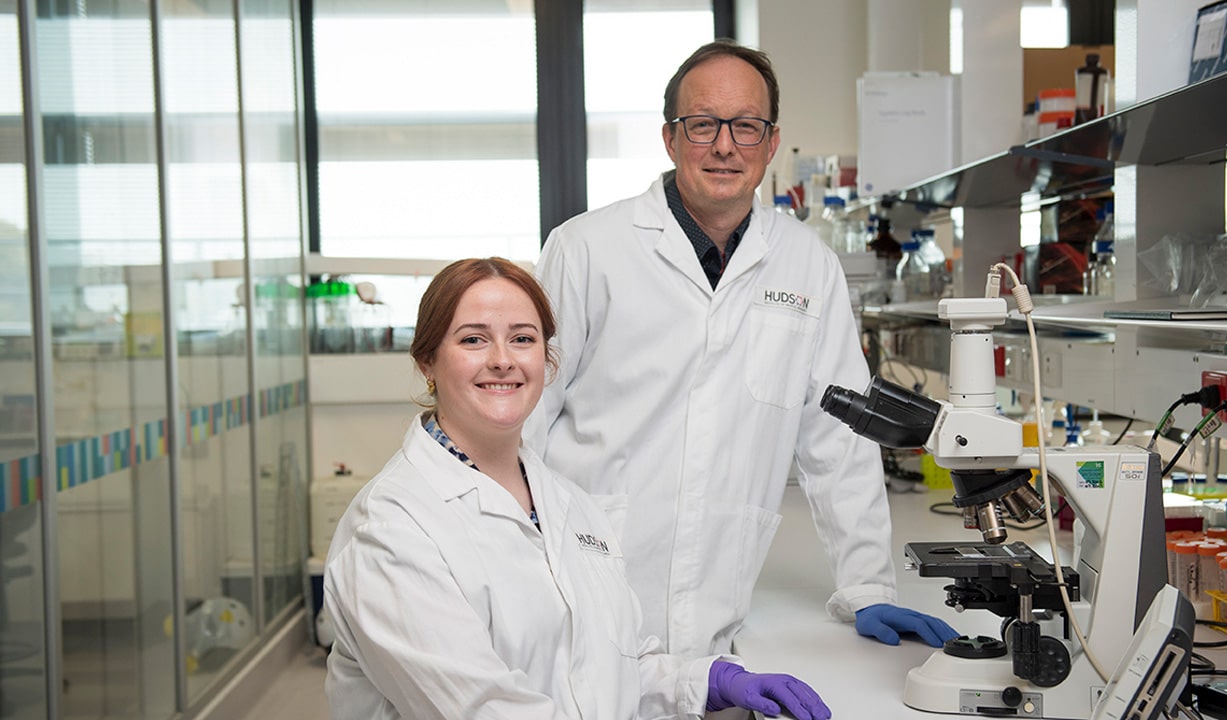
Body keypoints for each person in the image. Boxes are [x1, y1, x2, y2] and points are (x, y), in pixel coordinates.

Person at [525, 40, 958, 660]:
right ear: (671, 139)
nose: (724, 146)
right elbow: (525, 417)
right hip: (584, 582)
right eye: (702, 125)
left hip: (717, 602)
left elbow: (839, 435)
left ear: (771, 142)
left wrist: (866, 582)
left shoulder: (808, 264)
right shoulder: (586, 249)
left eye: (746, 126)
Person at [323, 257, 832, 720]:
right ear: (427, 363)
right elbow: (484, 711)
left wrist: (706, 682)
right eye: (473, 339)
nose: (503, 360)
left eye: (522, 339)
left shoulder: (569, 504)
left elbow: (612, 668)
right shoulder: (392, 531)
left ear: (547, 361)